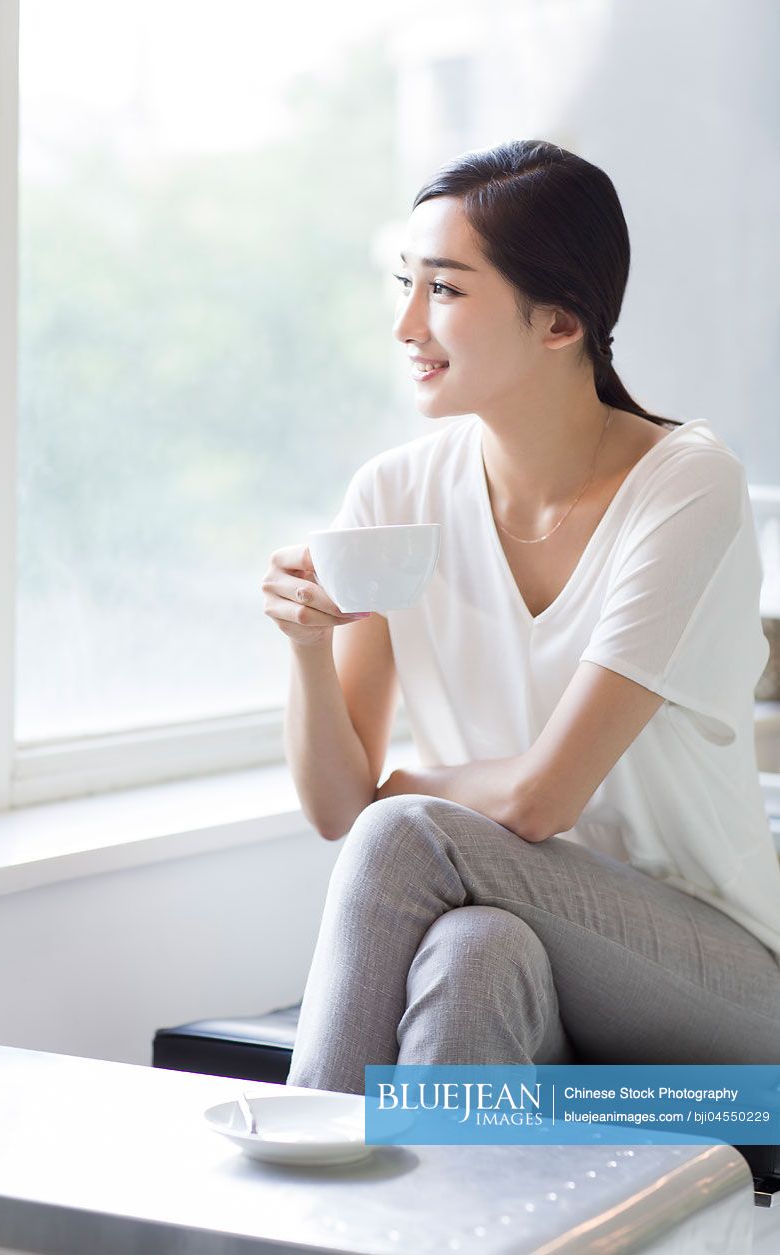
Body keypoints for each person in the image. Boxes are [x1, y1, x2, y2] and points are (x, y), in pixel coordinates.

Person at [262, 139, 780, 1096]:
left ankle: (292, 1198)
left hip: (722, 982)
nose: (406, 324)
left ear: (556, 323)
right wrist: (305, 647)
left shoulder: (685, 484)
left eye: (446, 291)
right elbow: (340, 806)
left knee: (405, 835)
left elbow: (544, 800)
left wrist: (405, 788)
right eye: (404, 283)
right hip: (530, 939)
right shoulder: (393, 491)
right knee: (470, 952)